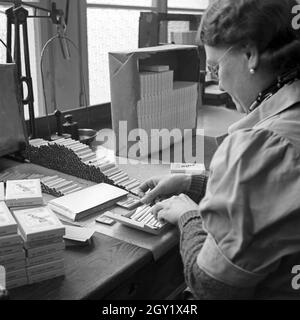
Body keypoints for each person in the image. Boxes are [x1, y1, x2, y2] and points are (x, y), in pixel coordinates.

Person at [138, 0, 300, 299]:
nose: (219, 83)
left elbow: (211, 286)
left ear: (250, 54)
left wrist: (189, 215)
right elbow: (278, 194)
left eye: (215, 68)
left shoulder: (263, 143)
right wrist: (194, 181)